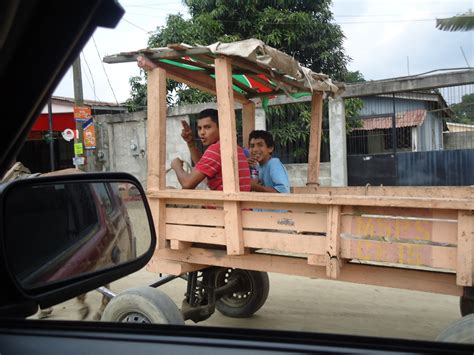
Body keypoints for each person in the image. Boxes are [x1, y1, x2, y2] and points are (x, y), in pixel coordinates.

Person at [171, 109, 251, 191]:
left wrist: (177, 166)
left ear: (221, 128)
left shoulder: (217, 149)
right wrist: (191, 143)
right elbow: (203, 169)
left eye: (207, 127)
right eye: (199, 128)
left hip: (223, 203)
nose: (202, 132)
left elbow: (187, 183)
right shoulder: (234, 147)